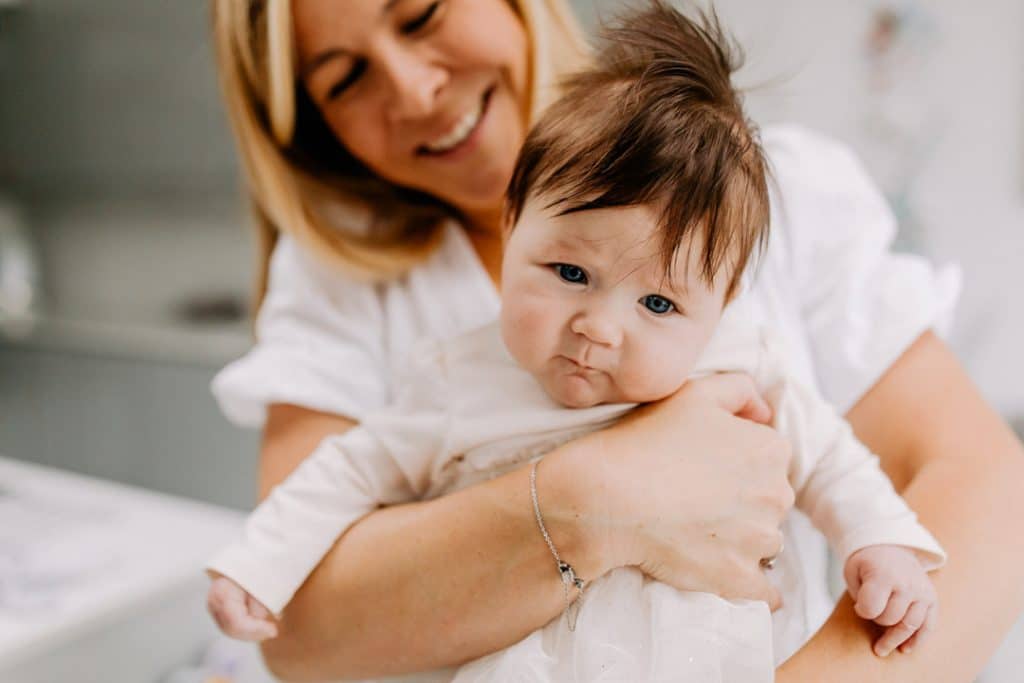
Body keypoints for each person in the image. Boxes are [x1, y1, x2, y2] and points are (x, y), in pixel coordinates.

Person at [207, 0, 1024, 680]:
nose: (416, 89)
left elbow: (893, 467)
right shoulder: (439, 359)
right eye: (345, 77)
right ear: (514, 222)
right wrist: (598, 496)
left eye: (421, 14)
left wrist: (879, 544)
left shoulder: (747, 305)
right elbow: (311, 578)